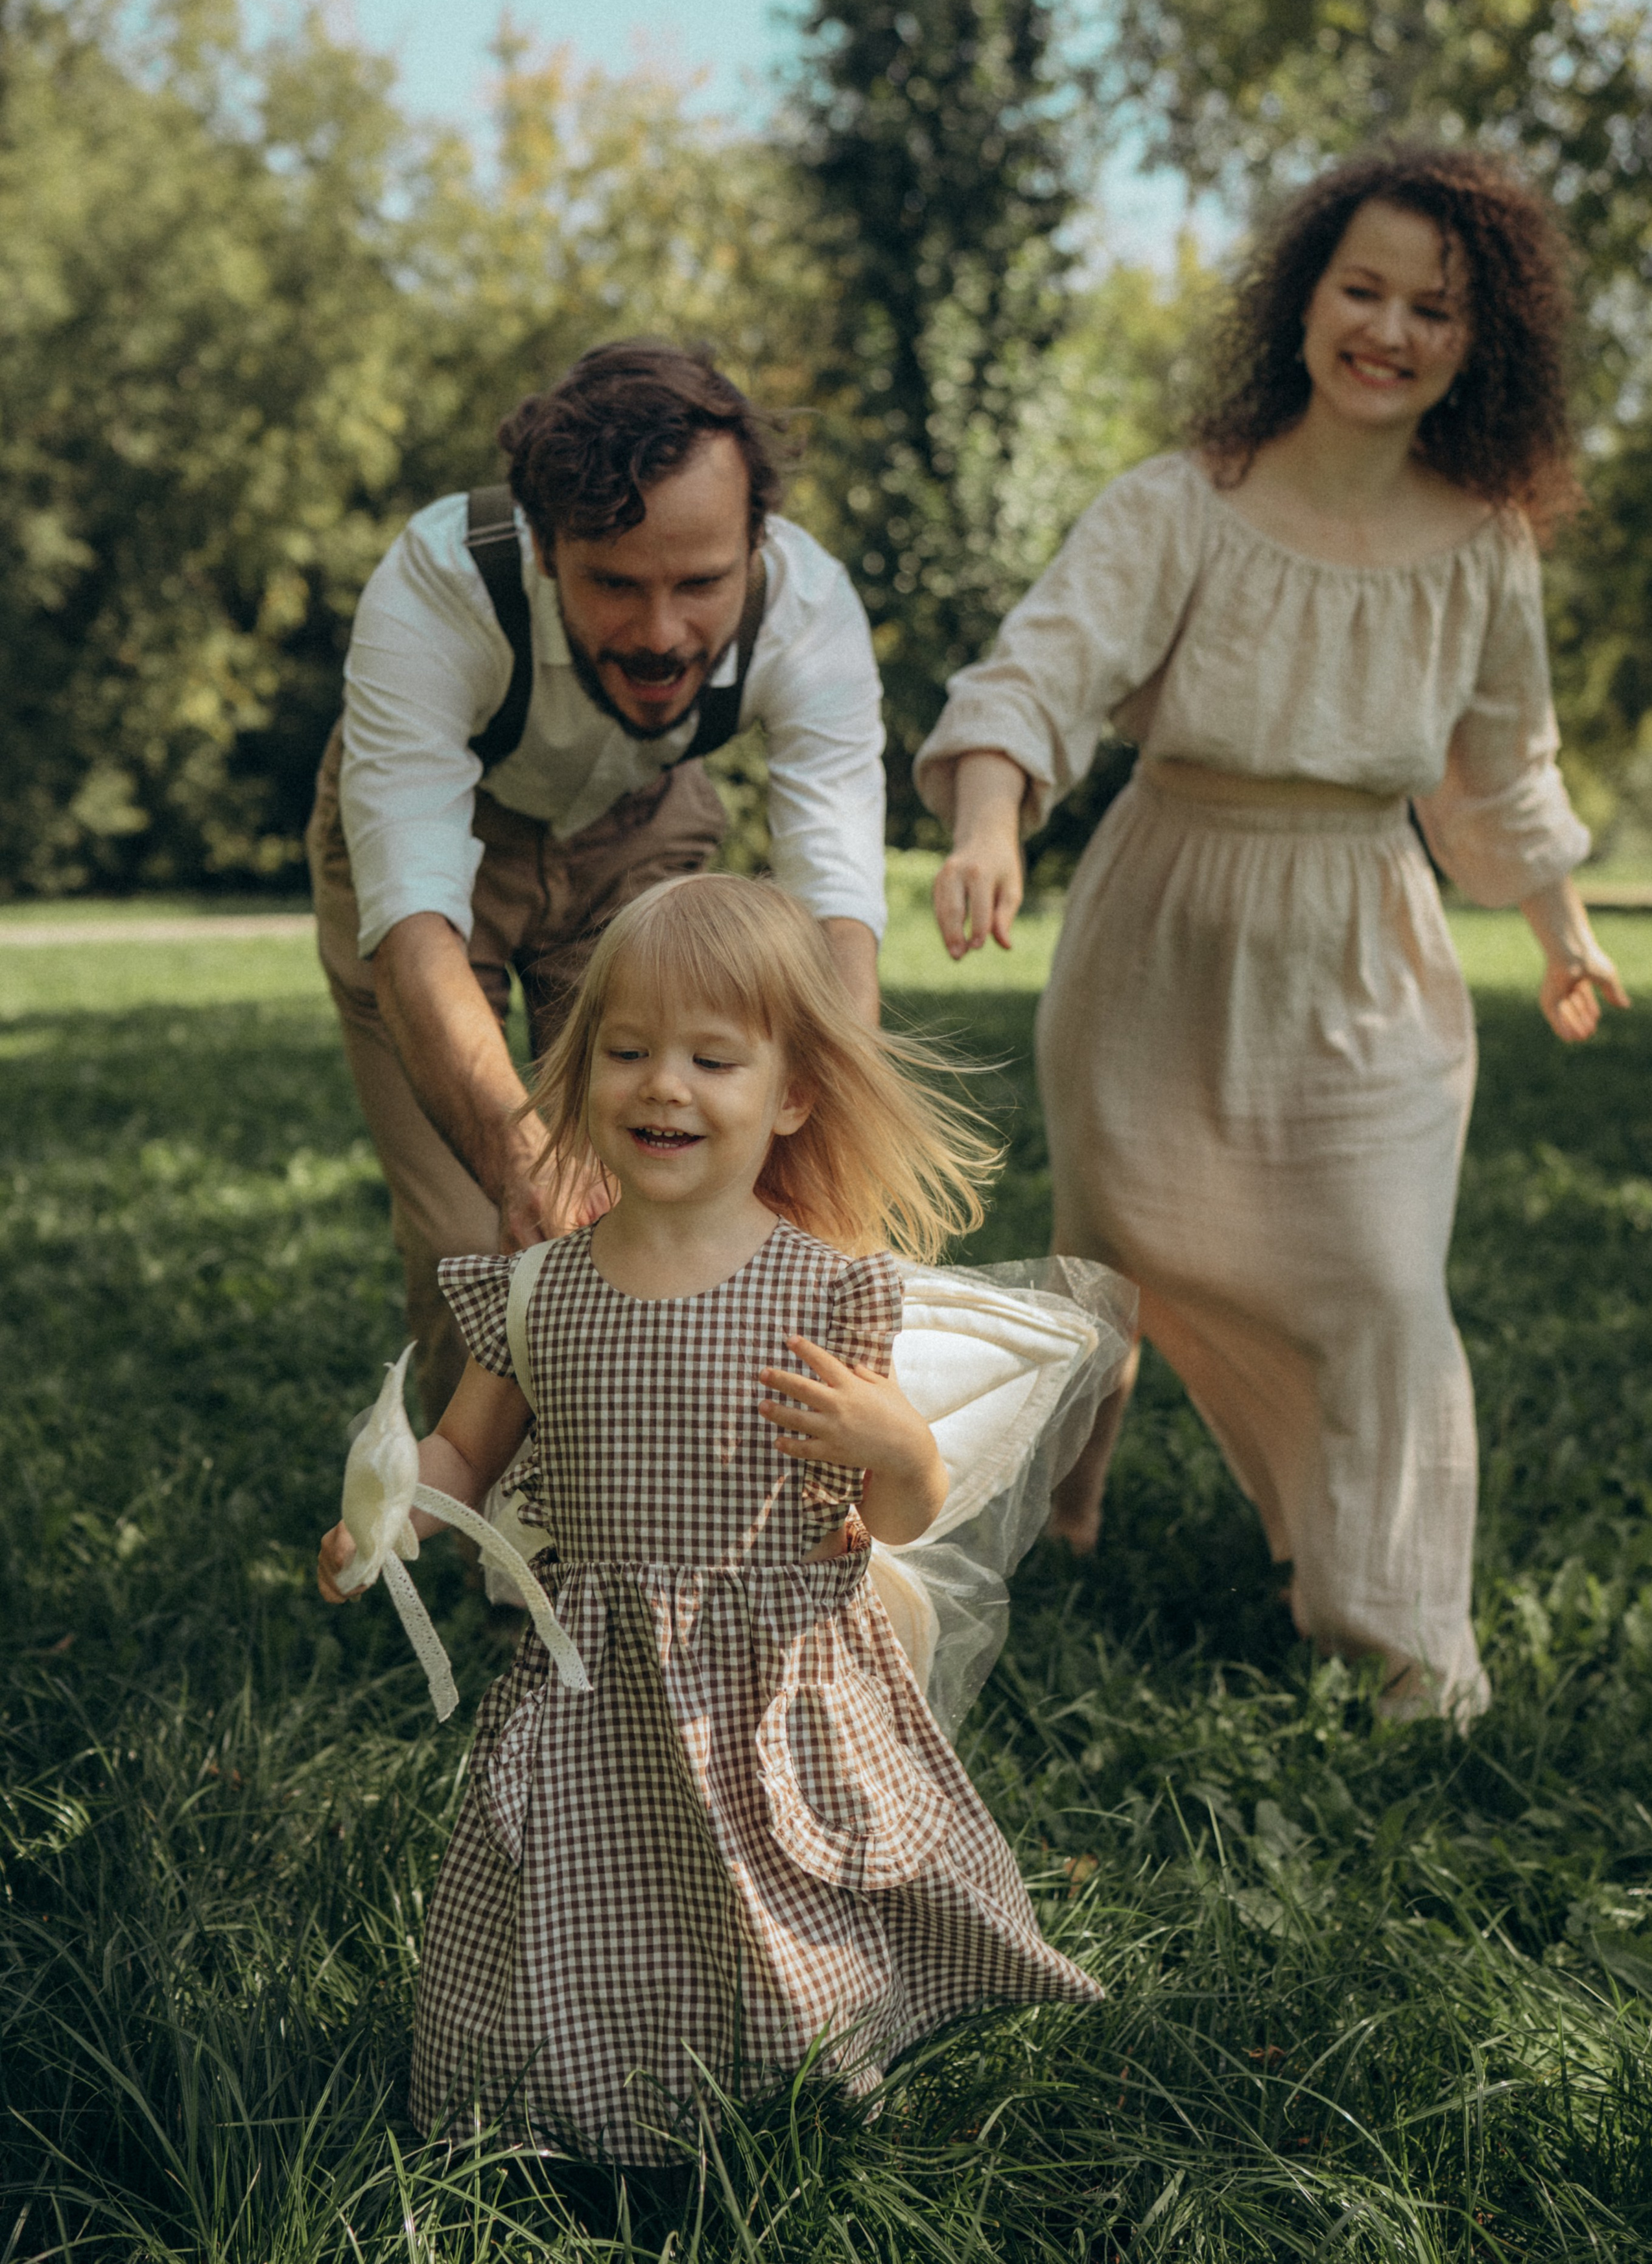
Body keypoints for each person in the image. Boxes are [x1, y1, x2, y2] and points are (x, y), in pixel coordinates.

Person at [916, 144, 1629, 1720]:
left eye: (1429, 308)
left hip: (1364, 941)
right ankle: (1063, 1510)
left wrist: (1563, 932)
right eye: (1357, 289)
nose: (1385, 330)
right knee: (1118, 1256)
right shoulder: (1182, 505)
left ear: (1476, 339)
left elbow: (1501, 769)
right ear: (1302, 303)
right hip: (1163, 924)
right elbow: (1038, 672)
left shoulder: (1483, 544)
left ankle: (1397, 1644)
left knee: (1379, 1283)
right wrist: (987, 818)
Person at [316, 874, 1101, 2163]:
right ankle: (567, 2091)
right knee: (590, 1886)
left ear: (791, 1093)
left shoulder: (826, 1290)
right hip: (597, 1677)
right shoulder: (535, 1295)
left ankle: (797, 2081)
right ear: (581, 1078)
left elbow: (902, 1510)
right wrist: (398, 1517)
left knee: (786, 1889)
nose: (661, 1086)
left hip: (774, 1676)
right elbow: (461, 1446)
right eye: (625, 1052)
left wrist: (891, 1447)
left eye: (709, 1058)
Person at [306, 341, 887, 1427]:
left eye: (703, 584)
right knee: (481, 1236)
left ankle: (664, 1516)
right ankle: (499, 1560)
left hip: (638, 828)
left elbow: (835, 906)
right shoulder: (441, 581)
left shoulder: (812, 613)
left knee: (680, 1200)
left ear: (756, 543)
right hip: (437, 853)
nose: (664, 634)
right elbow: (415, 910)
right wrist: (518, 1155)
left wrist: (825, 1141)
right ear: (542, 547)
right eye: (614, 584)